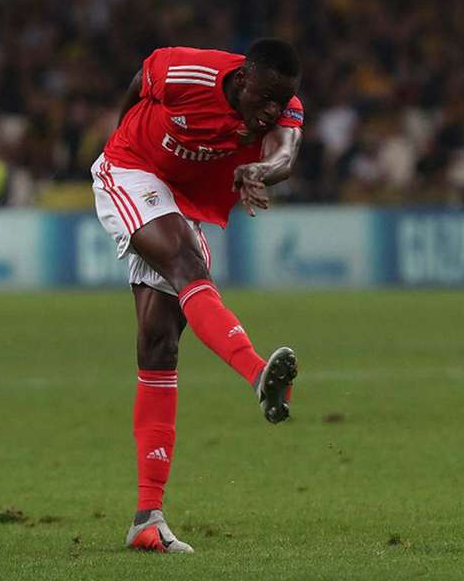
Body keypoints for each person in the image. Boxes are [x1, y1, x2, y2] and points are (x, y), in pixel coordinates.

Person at [91, 38, 305, 553]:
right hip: (131, 169)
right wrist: (119, 142)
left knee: (159, 345)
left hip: (181, 200)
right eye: (265, 98)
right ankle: (257, 373)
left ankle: (147, 519)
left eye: (282, 101)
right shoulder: (186, 71)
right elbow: (138, 86)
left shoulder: (283, 109)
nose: (272, 110)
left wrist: (259, 170)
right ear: (243, 77)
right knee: (188, 266)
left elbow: (285, 154)